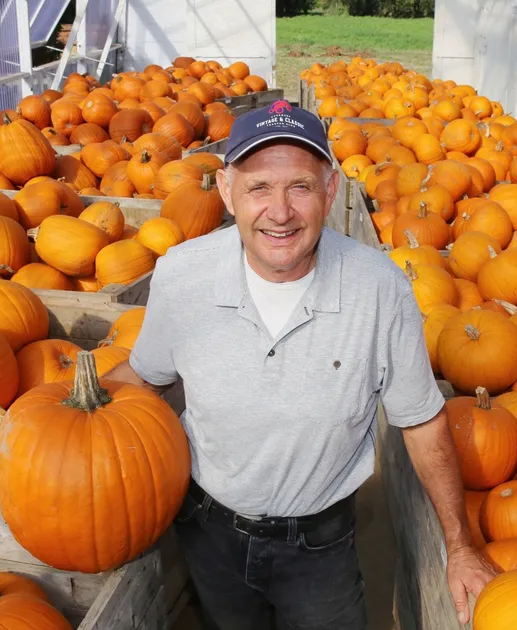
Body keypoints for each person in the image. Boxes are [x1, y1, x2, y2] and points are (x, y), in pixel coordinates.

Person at [104, 100, 496, 630]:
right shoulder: (183, 277)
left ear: (330, 190)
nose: (280, 211)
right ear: (226, 191)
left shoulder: (379, 289)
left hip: (321, 545)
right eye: (259, 188)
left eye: (300, 187)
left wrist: (460, 545)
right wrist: (63, 413)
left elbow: (422, 422)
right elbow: (145, 378)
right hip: (209, 530)